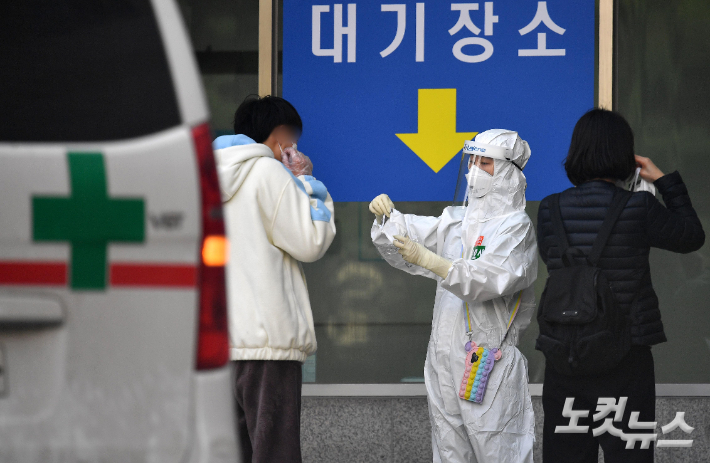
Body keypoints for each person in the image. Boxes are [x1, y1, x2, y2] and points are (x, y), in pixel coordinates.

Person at [536, 108, 705, 463]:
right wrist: (662, 181)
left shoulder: (549, 209)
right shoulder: (638, 206)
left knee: (565, 454)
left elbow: (551, 258)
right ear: (624, 155)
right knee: (629, 454)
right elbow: (691, 236)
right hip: (626, 356)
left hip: (565, 354)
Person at [371, 130, 538, 462]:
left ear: (507, 169)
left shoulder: (515, 228)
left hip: (488, 362)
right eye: (472, 160)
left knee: (499, 449)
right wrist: (387, 218)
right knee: (448, 451)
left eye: (485, 162)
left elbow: (489, 279)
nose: (474, 169)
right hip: (444, 359)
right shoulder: (457, 220)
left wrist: (432, 261)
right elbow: (408, 236)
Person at [213, 95, 336, 463]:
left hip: (219, 344)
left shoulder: (205, 178)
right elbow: (311, 241)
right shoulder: (268, 173)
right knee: (274, 451)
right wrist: (307, 182)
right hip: (267, 344)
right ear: (278, 135)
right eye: (291, 134)